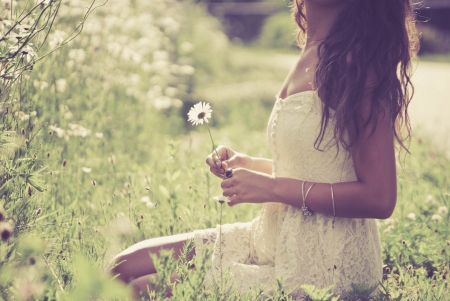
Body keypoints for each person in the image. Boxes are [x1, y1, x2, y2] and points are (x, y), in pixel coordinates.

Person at [110, 0, 419, 299]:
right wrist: (252, 165)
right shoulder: (314, 50)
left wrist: (272, 188)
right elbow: (319, 166)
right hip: (273, 238)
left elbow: (379, 198)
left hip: (325, 268)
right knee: (122, 267)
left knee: (144, 288)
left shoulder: (359, 67)